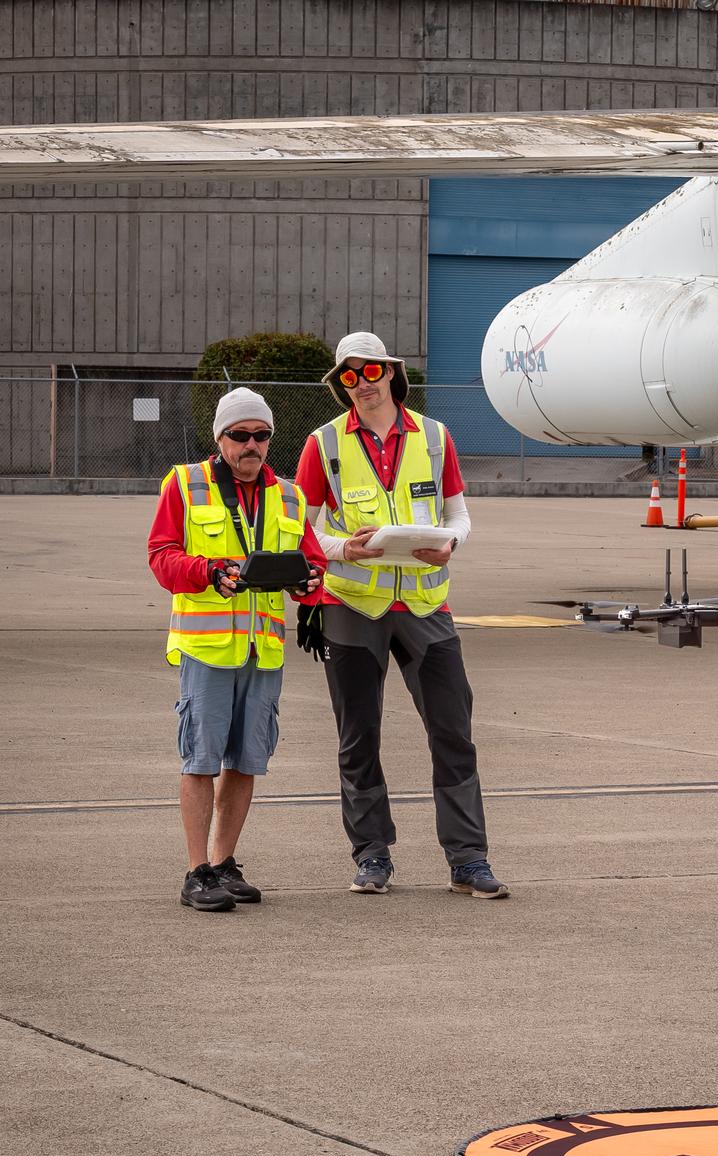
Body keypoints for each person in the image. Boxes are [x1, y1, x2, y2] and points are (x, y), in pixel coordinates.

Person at [294, 331, 508, 899]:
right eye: (348, 376)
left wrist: (452, 545)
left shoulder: (435, 438)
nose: (360, 385)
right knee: (357, 737)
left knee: (453, 732)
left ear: (390, 373)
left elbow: (459, 513)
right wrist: (346, 550)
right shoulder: (323, 444)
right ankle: (371, 855)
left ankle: (468, 859)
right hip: (353, 606)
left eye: (370, 373)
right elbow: (304, 527)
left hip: (424, 605)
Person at [149, 387, 325, 912]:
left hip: (263, 651)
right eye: (240, 435)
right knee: (200, 760)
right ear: (220, 437)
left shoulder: (289, 496)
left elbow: (313, 564)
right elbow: (162, 557)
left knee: (247, 760)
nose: (252, 444)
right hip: (207, 649)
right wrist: (208, 572)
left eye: (261, 435)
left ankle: (224, 863)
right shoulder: (185, 484)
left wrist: (307, 586)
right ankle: (195, 871)